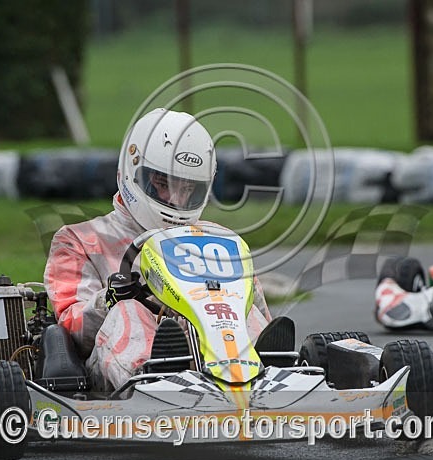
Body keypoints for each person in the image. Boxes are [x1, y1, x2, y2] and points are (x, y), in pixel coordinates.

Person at [43, 108, 272, 391]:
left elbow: (261, 311)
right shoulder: (80, 240)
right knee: (129, 312)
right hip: (111, 376)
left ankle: (269, 372)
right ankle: (156, 378)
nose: (176, 199)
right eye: (163, 184)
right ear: (132, 172)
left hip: (210, 356)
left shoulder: (219, 240)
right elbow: (72, 330)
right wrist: (111, 300)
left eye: (189, 188)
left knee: (238, 311)